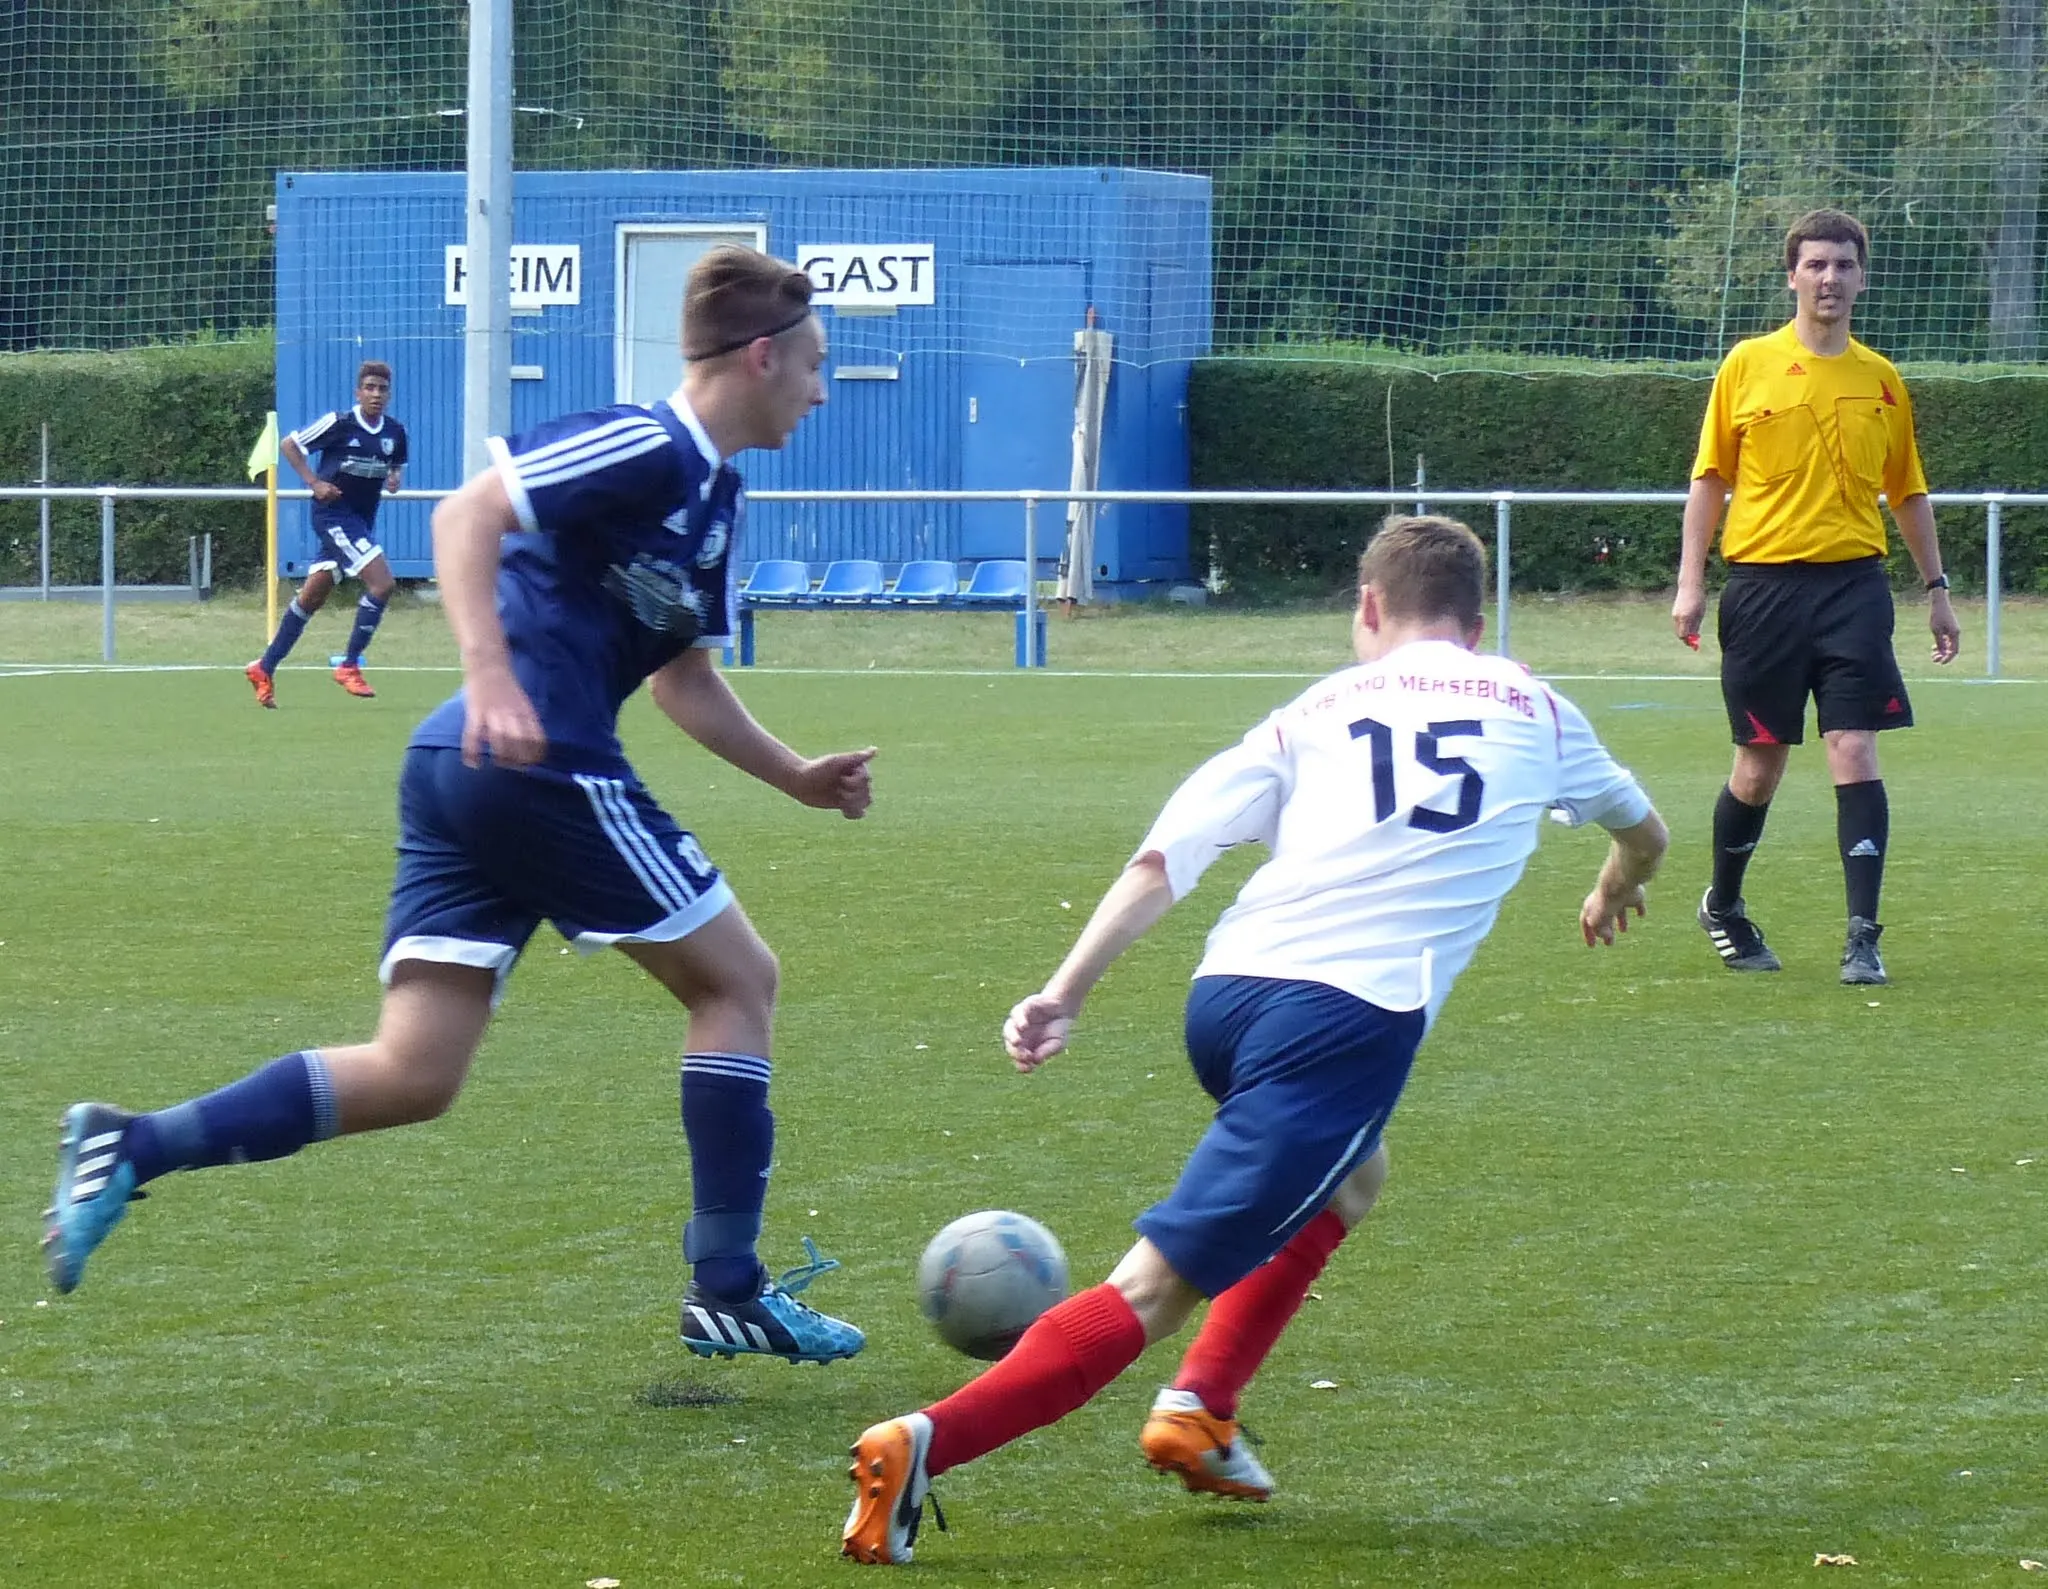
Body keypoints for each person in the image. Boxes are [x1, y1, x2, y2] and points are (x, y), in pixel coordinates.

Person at [46, 246, 875, 1366]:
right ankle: (727, 1284)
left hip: (472, 767)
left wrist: (795, 775)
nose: (821, 392)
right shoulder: (647, 442)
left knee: (414, 1071)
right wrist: (489, 673)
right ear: (762, 356)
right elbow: (466, 512)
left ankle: (130, 1144)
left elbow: (680, 678)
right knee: (739, 980)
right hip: (534, 760)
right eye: (815, 366)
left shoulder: (716, 498)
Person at [841, 514, 1670, 1565]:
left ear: (1368, 608)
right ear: (1474, 622)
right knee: (1151, 1287)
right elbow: (1644, 831)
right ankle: (923, 1441)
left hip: (1227, 998)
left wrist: (1064, 991)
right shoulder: (1539, 711)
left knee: (1354, 1173)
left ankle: (1201, 1407)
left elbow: (1162, 859)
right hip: (1342, 1021)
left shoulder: (1310, 711)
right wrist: (1613, 884)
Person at [1672, 207, 1961, 986]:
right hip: (1763, 588)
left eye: (1843, 265)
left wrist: (1937, 589)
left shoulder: (1882, 379)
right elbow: (1709, 480)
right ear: (1792, 276)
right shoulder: (1747, 365)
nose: (1829, 278)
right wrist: (1691, 583)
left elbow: (1908, 491)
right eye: (1816, 264)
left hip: (1852, 587)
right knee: (1759, 763)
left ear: (1863, 278)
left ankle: (1863, 936)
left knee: (1853, 746)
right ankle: (1723, 905)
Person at [245, 361, 409, 705]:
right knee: (383, 584)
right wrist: (314, 482)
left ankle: (264, 666)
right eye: (369, 388)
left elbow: (396, 466)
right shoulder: (340, 423)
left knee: (312, 597)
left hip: (361, 521)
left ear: (389, 395)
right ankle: (349, 666)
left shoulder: (395, 432)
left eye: (382, 389)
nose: (376, 394)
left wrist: (395, 479)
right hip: (332, 516)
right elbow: (290, 444)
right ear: (358, 392)